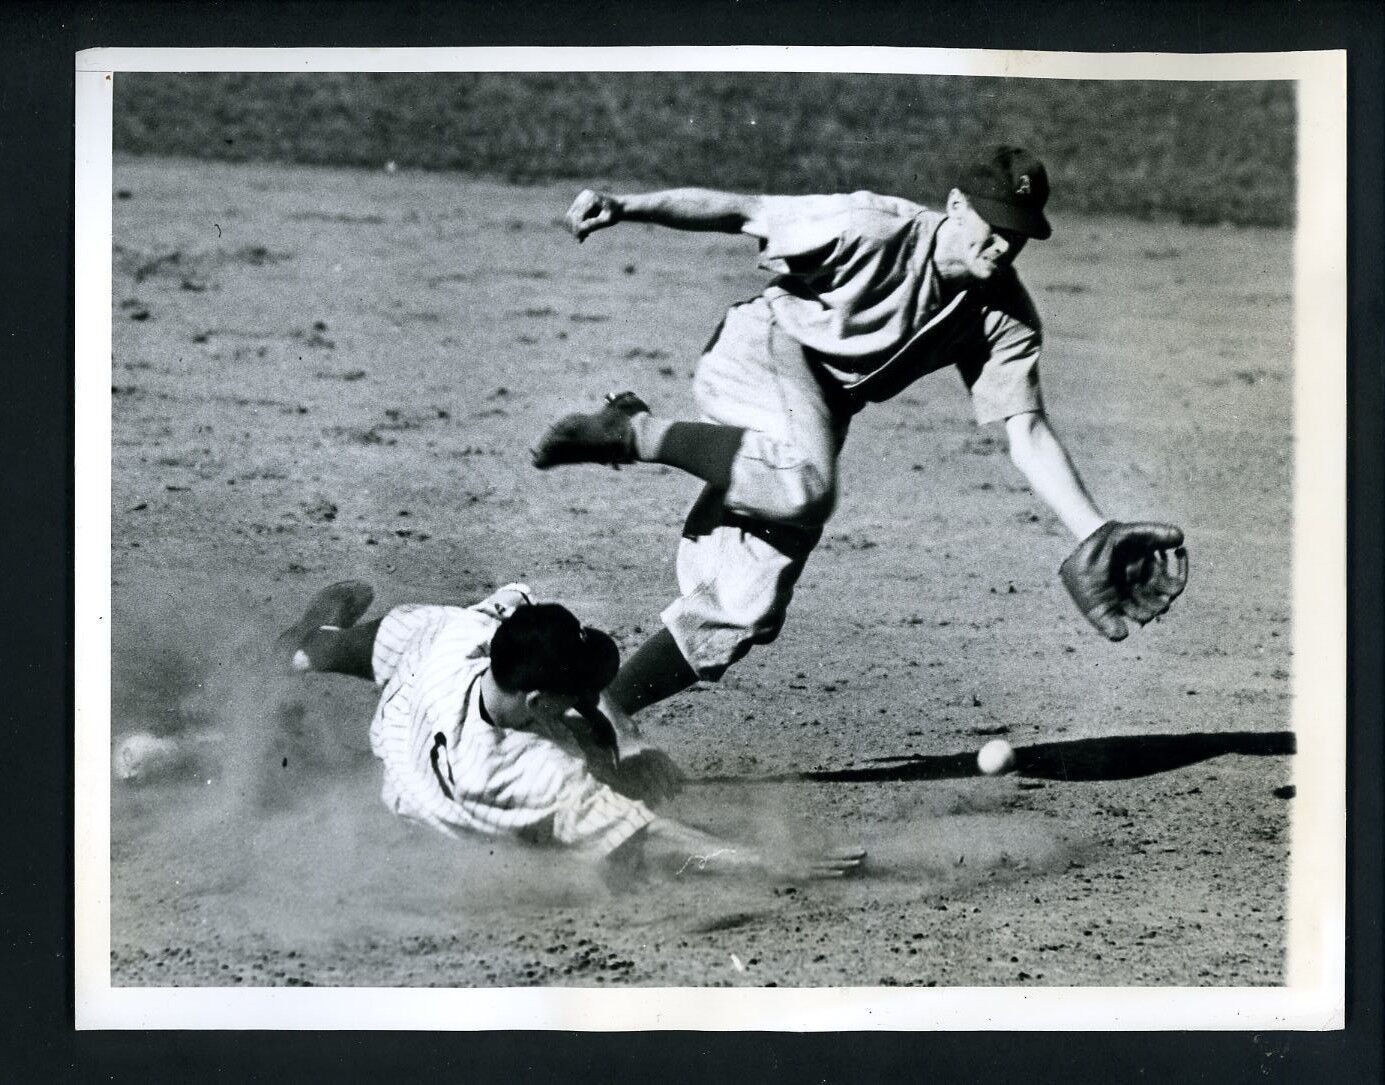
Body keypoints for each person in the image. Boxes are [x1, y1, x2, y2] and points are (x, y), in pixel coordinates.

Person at [533, 145, 1189, 721]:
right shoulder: (870, 226)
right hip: (762, 348)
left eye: (1017, 236)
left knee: (745, 606)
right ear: (955, 205)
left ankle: (599, 713)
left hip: (814, 411)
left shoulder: (1004, 317)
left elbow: (1026, 431)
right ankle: (632, 430)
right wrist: (623, 206)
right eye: (993, 228)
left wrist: (1092, 530)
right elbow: (744, 210)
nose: (1002, 247)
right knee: (802, 483)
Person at [276, 579, 864, 879]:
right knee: (616, 835)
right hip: (426, 803)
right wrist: (762, 860)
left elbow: (513, 610)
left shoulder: (470, 640)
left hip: (420, 697)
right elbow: (654, 834)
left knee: (413, 630)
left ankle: (307, 652)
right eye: (573, 693)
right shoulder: (533, 771)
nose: (586, 696)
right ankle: (307, 658)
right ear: (536, 700)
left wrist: (630, 736)